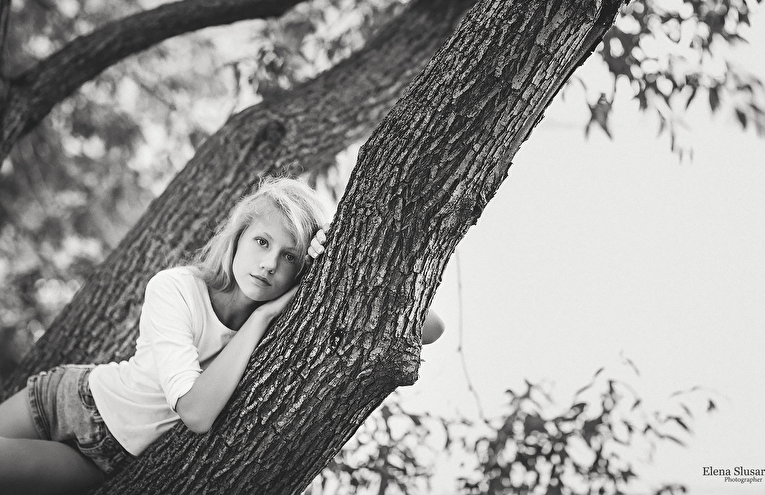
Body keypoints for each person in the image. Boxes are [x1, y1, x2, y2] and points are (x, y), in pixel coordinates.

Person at [0, 176, 444, 494]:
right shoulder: (175, 288)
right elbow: (194, 410)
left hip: (108, 459)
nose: (269, 264)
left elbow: (429, 327)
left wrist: (343, 260)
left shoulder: (289, 320)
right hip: (72, 401)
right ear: (238, 237)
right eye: (262, 242)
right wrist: (261, 317)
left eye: (289, 256)